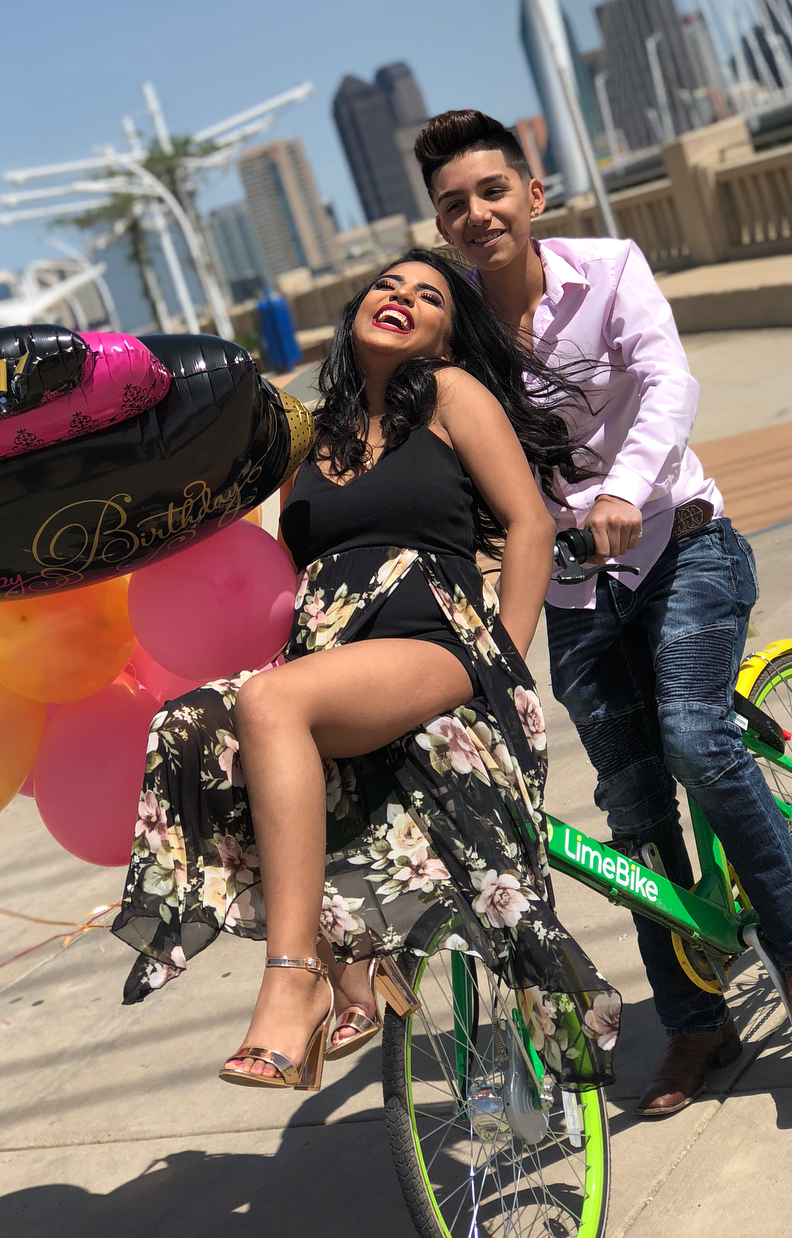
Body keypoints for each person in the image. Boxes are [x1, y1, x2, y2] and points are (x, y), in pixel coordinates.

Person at [112, 249, 622, 1092]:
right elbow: (282, 575)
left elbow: (529, 525)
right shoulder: (311, 437)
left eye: (429, 297)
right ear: (356, 309)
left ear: (445, 337)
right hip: (331, 656)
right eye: (389, 285)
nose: (402, 297)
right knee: (191, 722)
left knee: (270, 702)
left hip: (435, 642)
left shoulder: (453, 395)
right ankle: (348, 958)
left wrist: (505, 658)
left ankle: (295, 980)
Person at [415, 109, 792, 1116]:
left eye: (492, 191)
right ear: (440, 227)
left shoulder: (609, 271)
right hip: (575, 587)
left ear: (533, 195)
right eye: (453, 205)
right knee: (632, 811)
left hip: (681, 542)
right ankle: (694, 1026)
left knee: (694, 735)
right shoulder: (458, 330)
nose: (477, 215)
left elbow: (667, 383)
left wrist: (621, 491)